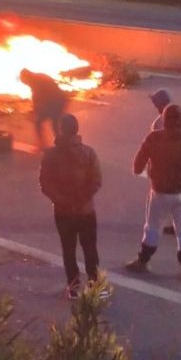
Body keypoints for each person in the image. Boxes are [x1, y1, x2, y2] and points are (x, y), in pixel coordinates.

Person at [125, 104, 181, 281]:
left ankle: (144, 261)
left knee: (152, 227)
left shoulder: (154, 138)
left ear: (164, 120)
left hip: (159, 192)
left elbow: (137, 167)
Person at [39, 113, 107, 300]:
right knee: (90, 249)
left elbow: (45, 183)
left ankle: (74, 287)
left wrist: (62, 200)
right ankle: (95, 286)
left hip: (62, 212)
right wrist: (81, 199)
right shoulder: (89, 153)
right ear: (77, 130)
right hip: (86, 211)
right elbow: (96, 181)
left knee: (68, 250)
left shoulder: (50, 155)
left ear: (61, 130)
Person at [149, 89, 180, 235]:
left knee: (162, 198)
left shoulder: (159, 123)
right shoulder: (180, 116)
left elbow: (154, 147)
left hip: (166, 166)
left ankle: (155, 228)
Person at [20, 68, 69, 151]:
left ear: (27, 77)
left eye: (24, 82)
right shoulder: (39, 77)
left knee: (41, 122)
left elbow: (39, 98)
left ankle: (45, 145)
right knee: (54, 124)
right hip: (59, 100)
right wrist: (35, 110)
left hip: (56, 102)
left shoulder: (36, 82)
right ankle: (62, 144)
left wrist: (35, 111)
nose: (26, 84)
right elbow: (39, 99)